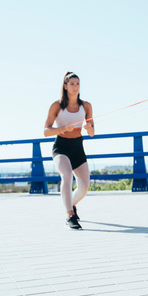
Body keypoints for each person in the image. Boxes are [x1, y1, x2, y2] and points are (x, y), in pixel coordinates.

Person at [44, 71, 95, 229]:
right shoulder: (57, 106)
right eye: (72, 84)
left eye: (77, 84)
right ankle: (70, 216)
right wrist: (62, 128)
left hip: (78, 147)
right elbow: (46, 131)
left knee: (84, 187)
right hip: (61, 147)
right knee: (66, 176)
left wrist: (88, 128)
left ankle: (70, 204)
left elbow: (92, 132)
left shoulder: (86, 106)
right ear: (65, 86)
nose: (75, 87)